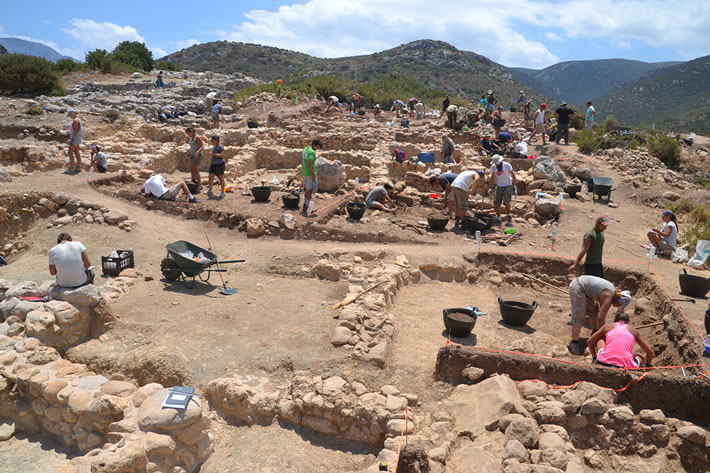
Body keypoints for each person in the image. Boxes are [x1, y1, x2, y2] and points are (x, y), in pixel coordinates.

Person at [567, 275, 632, 355]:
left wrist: (599, 333)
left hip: (585, 290)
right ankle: (574, 343)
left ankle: (595, 332)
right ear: (618, 300)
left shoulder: (611, 292)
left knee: (593, 312)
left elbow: (599, 307)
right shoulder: (609, 296)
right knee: (579, 316)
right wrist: (605, 334)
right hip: (578, 287)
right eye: (618, 305)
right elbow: (601, 319)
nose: (616, 306)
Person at [588, 312, 654, 369]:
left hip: (603, 362)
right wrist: (648, 365)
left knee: (600, 338)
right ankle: (646, 368)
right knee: (640, 356)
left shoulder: (608, 326)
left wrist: (594, 357)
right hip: (627, 366)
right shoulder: (633, 330)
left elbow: (590, 341)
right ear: (628, 322)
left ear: (615, 321)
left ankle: (596, 360)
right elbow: (650, 352)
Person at [489, 155, 517, 227]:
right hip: (499, 186)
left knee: (507, 201)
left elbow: (513, 174)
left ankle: (509, 215)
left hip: (507, 185)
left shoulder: (507, 165)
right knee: (497, 203)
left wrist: (514, 183)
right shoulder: (494, 167)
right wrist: (491, 186)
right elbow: (492, 177)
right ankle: (498, 218)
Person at [302, 139, 322, 215]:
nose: (317, 149)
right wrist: (313, 175)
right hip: (310, 174)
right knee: (309, 191)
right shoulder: (312, 152)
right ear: (314, 145)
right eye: (317, 147)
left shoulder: (305, 149)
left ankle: (305, 205)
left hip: (305, 172)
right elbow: (309, 164)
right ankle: (307, 207)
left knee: (307, 190)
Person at [207, 135, 226, 199]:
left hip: (219, 164)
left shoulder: (220, 147)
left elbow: (222, 155)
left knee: (221, 178)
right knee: (210, 177)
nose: (211, 142)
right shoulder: (214, 146)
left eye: (212, 141)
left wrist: (213, 154)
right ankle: (210, 190)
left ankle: (222, 192)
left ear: (216, 140)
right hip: (213, 164)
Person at [65, 109, 82, 174]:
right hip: (78, 139)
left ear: (72, 113)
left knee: (70, 152)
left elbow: (75, 131)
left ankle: (71, 167)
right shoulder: (78, 120)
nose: (70, 116)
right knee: (76, 152)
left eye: (70, 115)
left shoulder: (75, 121)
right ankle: (78, 166)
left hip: (75, 139)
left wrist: (72, 140)